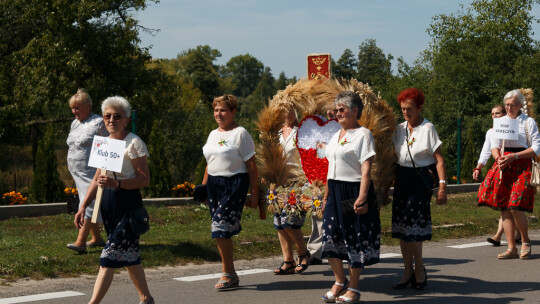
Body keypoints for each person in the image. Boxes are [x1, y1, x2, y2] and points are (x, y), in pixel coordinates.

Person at [74, 96, 154, 304]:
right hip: (109, 204)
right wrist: (83, 206)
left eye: (117, 116)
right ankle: (146, 298)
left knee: (108, 256)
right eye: (107, 116)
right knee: (127, 254)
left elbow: (144, 179)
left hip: (127, 203)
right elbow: (97, 177)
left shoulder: (133, 143)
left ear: (126, 119)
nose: (111, 120)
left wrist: (117, 184)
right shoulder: (104, 143)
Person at [321, 91, 380, 304]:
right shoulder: (336, 135)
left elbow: (366, 170)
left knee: (354, 239)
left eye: (341, 109)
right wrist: (326, 196)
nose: (337, 114)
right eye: (336, 110)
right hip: (334, 190)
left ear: (355, 111)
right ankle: (340, 281)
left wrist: (363, 196)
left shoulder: (363, 134)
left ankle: (353, 288)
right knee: (329, 236)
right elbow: (331, 168)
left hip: (353, 190)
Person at [392, 88, 447, 291]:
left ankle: (420, 268)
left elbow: (439, 160)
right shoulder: (398, 129)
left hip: (420, 180)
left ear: (420, 107)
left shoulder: (428, 128)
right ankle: (407, 271)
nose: (406, 112)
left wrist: (442, 185)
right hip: (402, 179)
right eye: (403, 109)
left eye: (410, 108)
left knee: (414, 228)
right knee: (402, 229)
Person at [202, 94, 259, 290]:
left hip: (234, 184)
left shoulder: (240, 133)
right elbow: (209, 164)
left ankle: (227, 273)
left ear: (233, 112)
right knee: (220, 230)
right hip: (214, 185)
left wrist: (254, 193)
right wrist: (203, 188)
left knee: (220, 228)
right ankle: (231, 273)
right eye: (216, 110)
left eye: (223, 110)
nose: (219, 114)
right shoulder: (212, 134)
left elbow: (251, 165)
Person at [478, 89, 539, 259]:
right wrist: (498, 159)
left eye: (512, 105)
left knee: (515, 204)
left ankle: (525, 241)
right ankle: (511, 247)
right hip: (504, 165)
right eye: (507, 105)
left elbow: (536, 147)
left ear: (520, 105)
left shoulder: (528, 122)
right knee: (504, 206)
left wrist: (515, 156)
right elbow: (494, 145)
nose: (509, 108)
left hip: (522, 164)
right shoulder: (501, 122)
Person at [472, 105, 521, 246]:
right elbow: (486, 150)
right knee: (504, 202)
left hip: (515, 168)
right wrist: (479, 167)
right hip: (499, 168)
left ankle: (499, 235)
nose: (495, 116)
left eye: (498, 113)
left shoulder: (514, 128)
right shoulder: (491, 132)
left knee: (509, 202)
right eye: (492, 114)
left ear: (504, 114)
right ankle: (514, 234)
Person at [66, 89, 107, 253]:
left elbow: (106, 146)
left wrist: (103, 170)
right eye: (73, 108)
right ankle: (97, 238)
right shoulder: (75, 123)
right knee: (87, 201)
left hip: (91, 171)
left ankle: (80, 242)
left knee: (88, 203)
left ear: (88, 106)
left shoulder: (98, 123)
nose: (74, 111)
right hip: (77, 171)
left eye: (78, 108)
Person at [273, 108, 311, 275]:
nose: (286, 114)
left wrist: (311, 182)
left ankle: (303, 253)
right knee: (279, 223)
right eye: (283, 111)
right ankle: (288, 260)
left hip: (298, 180)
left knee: (290, 221)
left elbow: (313, 154)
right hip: (279, 180)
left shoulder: (303, 130)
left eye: (290, 110)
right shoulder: (276, 132)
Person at [307, 109, 337, 266]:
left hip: (337, 175)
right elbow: (319, 153)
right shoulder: (316, 125)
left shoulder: (341, 125)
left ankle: (331, 249)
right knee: (317, 214)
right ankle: (316, 251)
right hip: (319, 176)